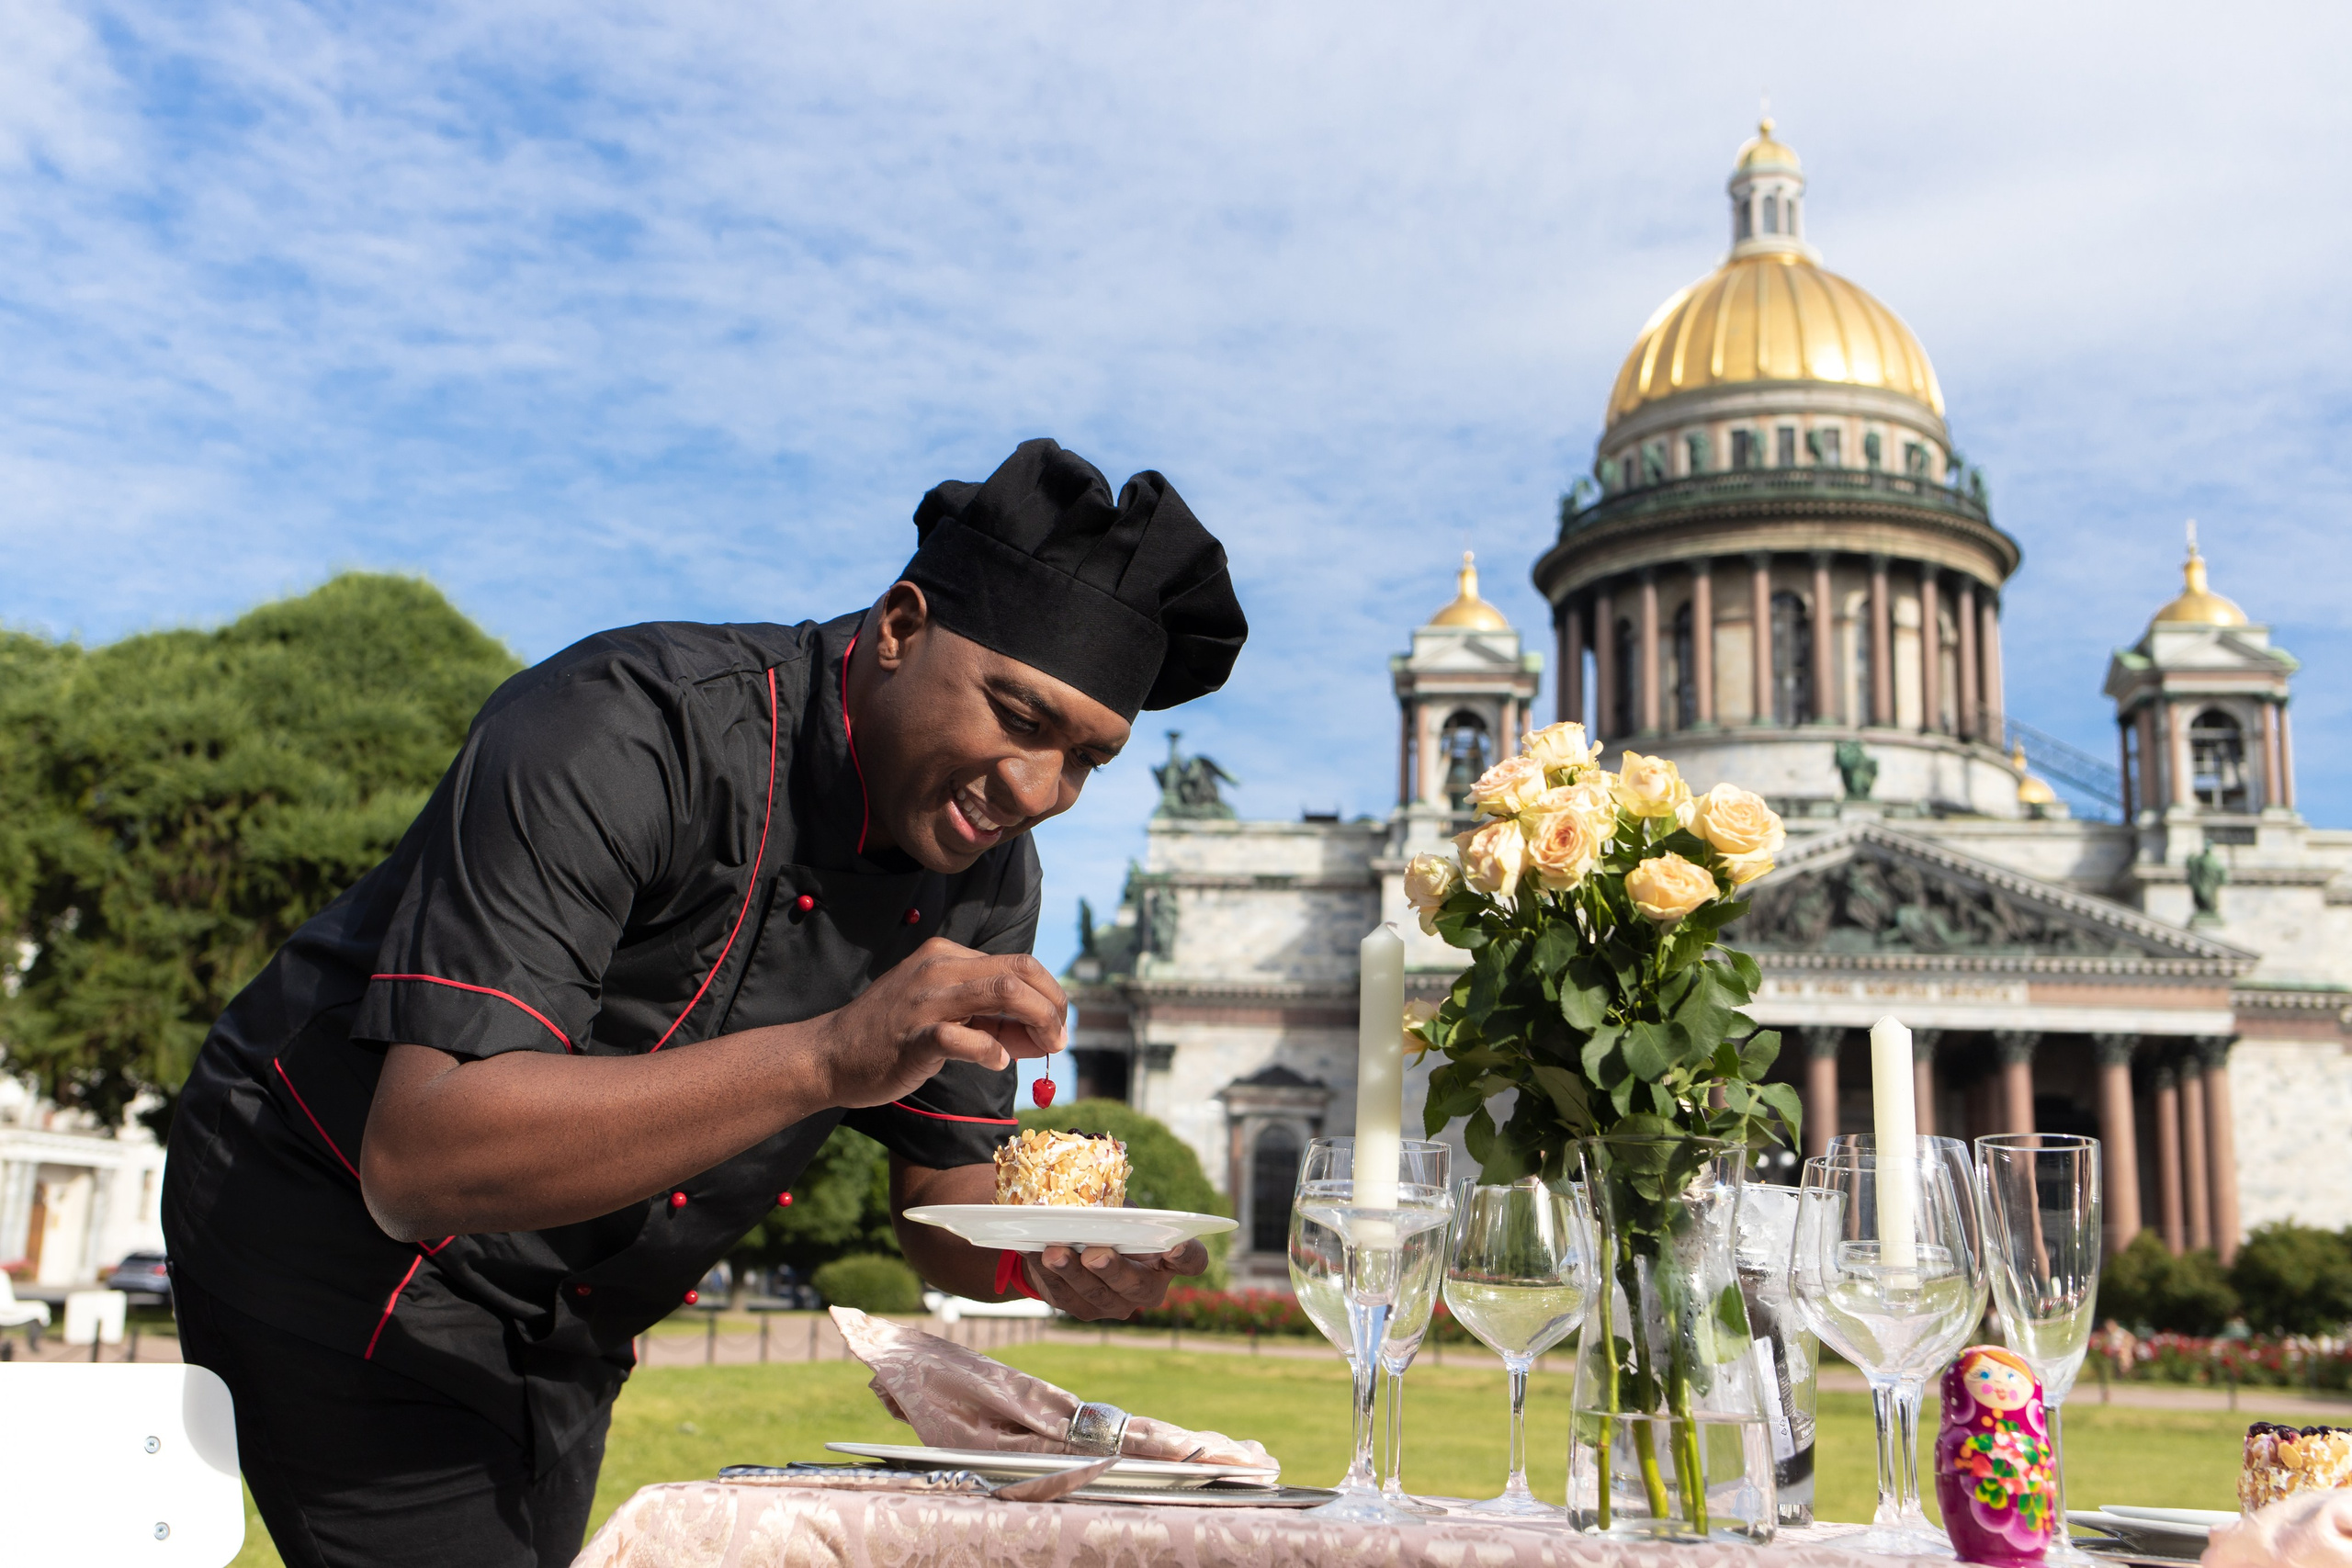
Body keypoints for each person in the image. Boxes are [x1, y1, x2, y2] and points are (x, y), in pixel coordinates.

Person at [162, 438, 1249, 1568]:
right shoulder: (624, 728)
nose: (1038, 791)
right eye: (1018, 717)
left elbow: (942, 1202)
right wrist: (829, 1057)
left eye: (1086, 759)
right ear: (899, 628)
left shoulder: (987, 876)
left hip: (579, 1313)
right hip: (331, 1236)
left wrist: (1047, 1253)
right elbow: (422, 1158)